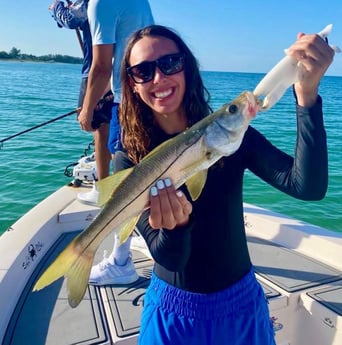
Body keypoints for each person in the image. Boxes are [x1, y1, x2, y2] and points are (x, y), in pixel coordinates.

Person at [112, 24, 333, 344]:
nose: (158, 78)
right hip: (173, 314)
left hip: (241, 307)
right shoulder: (130, 160)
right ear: (131, 84)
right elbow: (170, 259)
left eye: (170, 63)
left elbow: (306, 187)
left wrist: (307, 96)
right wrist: (176, 226)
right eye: (143, 71)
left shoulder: (228, 135)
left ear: (187, 68)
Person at [79, 0, 154, 285]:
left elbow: (101, 66)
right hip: (149, 95)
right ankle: (147, 238)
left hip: (130, 102)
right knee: (146, 177)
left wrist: (87, 109)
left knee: (125, 183)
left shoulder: (100, 3)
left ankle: (120, 262)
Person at [49, 0, 114, 183]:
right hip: (121, 70)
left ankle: (103, 186)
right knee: (117, 129)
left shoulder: (91, 2)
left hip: (97, 70)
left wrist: (56, 8)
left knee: (100, 130)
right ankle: (117, 183)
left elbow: (71, 20)